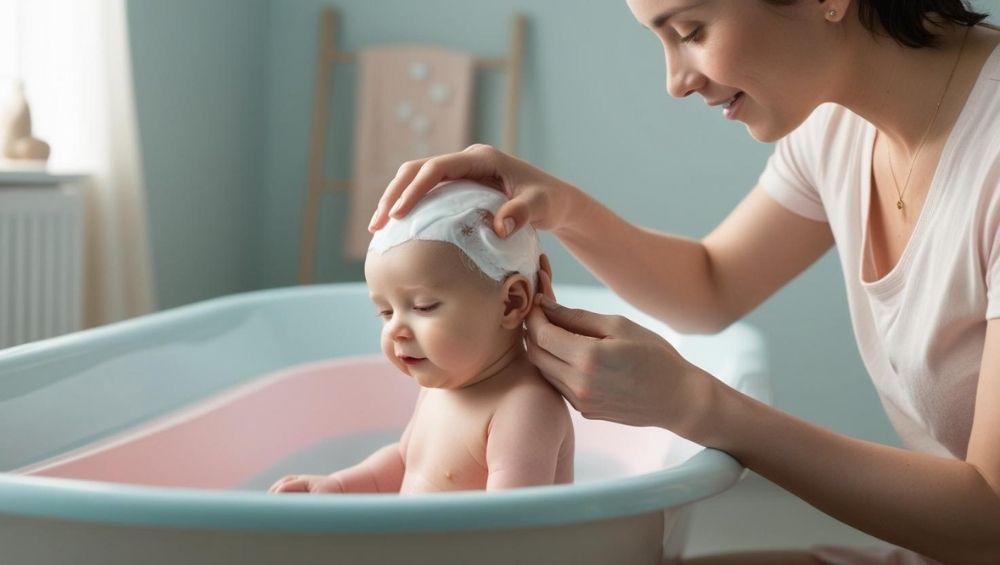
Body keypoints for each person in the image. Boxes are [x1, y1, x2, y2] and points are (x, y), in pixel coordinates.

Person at [367, 0, 1000, 562]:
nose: (675, 81)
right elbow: (711, 286)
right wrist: (562, 208)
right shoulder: (838, 124)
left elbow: (989, 519)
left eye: (691, 30)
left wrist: (695, 404)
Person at [270, 181, 574, 495]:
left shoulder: (524, 407)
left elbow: (512, 526)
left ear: (511, 303)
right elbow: (406, 462)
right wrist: (338, 486)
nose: (395, 330)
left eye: (422, 307)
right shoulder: (444, 383)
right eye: (386, 313)